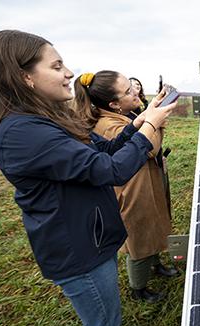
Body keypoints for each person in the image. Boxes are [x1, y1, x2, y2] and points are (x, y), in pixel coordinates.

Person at [0, 30, 176, 326]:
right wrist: (150, 127)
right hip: (79, 250)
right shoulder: (24, 132)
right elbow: (111, 170)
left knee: (107, 323)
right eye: (56, 66)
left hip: (91, 237)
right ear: (24, 76)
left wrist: (136, 126)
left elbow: (102, 152)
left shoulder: (44, 120)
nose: (68, 73)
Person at [74, 71, 178, 303]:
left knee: (154, 228)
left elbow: (140, 131)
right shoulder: (109, 124)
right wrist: (157, 125)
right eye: (128, 91)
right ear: (113, 103)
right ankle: (138, 287)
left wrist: (152, 113)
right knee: (140, 238)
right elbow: (148, 147)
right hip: (134, 191)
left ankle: (155, 265)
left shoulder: (121, 115)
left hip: (145, 183)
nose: (135, 92)